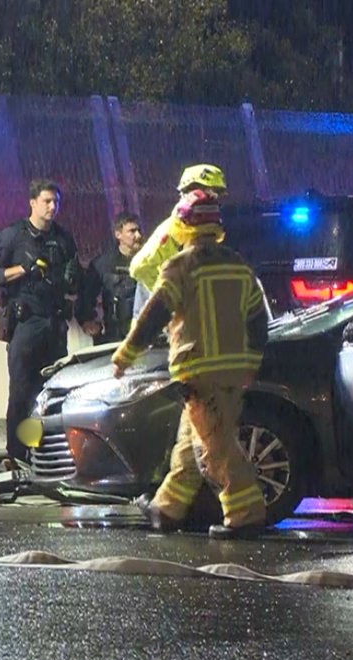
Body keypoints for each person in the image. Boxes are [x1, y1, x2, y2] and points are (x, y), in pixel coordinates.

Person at [113, 189, 269, 539]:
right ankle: (166, 509)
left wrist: (125, 355)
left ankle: (246, 515)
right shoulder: (240, 266)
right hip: (232, 373)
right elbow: (259, 320)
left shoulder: (180, 267)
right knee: (190, 446)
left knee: (217, 450)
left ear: (183, 225)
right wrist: (252, 362)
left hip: (198, 372)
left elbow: (153, 317)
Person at [0, 180, 79, 463]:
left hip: (54, 325)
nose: (52, 207)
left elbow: (73, 281)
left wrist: (72, 278)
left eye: (55, 202)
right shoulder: (13, 236)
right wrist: (22, 270)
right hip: (26, 325)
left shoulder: (63, 238)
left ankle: (44, 455)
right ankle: (18, 455)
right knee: (22, 392)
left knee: (49, 394)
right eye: (46, 201)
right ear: (32, 203)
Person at [129, 164, 227, 319]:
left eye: (216, 195)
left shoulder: (205, 228)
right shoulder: (172, 230)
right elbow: (139, 267)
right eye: (210, 193)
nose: (214, 199)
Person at [76, 212, 144, 344]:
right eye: (132, 231)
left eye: (140, 230)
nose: (138, 236)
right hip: (115, 336)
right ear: (118, 234)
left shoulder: (151, 261)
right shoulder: (103, 264)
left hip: (146, 334)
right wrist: (87, 321)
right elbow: (86, 297)